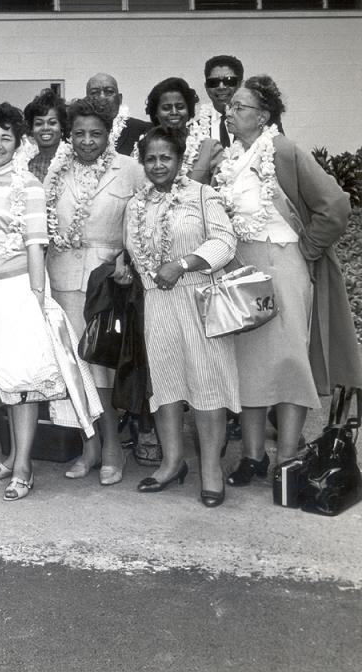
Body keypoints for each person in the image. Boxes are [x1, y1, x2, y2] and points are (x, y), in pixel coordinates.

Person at [214, 76, 362, 485]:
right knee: (248, 366)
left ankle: (289, 457)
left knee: (289, 362)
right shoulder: (231, 158)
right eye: (230, 107)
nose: (230, 112)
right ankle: (254, 456)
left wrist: (307, 250)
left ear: (263, 116)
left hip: (283, 265)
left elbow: (335, 204)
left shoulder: (283, 150)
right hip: (242, 269)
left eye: (240, 107)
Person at [125, 127, 239, 507]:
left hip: (199, 297)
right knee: (166, 384)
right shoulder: (136, 204)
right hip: (158, 302)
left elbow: (225, 242)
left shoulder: (202, 195)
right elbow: (134, 250)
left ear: (180, 160)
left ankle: (211, 469)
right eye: (151, 159)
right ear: (143, 164)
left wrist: (184, 264)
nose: (158, 165)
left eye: (166, 158)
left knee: (206, 383)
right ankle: (172, 462)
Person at [0, 105, 62, 501]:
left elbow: (36, 244)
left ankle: (23, 466)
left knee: (21, 381)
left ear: (17, 143)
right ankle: (10, 455)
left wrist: (37, 299)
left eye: (6, 138)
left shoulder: (29, 185)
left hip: (18, 291)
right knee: (2, 381)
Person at [45, 96, 144, 485]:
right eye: (80, 133)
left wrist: (128, 263)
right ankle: (89, 447)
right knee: (75, 366)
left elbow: (141, 221)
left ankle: (113, 448)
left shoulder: (130, 169)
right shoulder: (57, 170)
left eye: (96, 133)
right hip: (64, 278)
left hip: (108, 280)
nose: (87, 141)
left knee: (102, 365)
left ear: (109, 133)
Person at [141, 77, 223, 184]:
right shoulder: (144, 146)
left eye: (180, 107)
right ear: (156, 113)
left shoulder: (210, 148)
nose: (174, 112)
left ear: (189, 110)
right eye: (166, 108)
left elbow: (220, 192)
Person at [85, 73, 149, 156]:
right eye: (94, 93)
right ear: (86, 100)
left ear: (119, 99)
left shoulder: (142, 130)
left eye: (109, 92)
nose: (102, 97)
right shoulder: (76, 133)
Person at [198, 54, 244, 147]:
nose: (221, 87)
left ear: (240, 85)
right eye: (213, 82)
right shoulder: (194, 130)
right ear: (206, 87)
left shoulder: (258, 125)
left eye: (229, 81)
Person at [23, 89, 67, 182]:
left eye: (52, 123)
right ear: (32, 129)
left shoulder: (72, 161)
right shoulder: (26, 165)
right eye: (39, 123)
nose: (45, 128)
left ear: (61, 126)